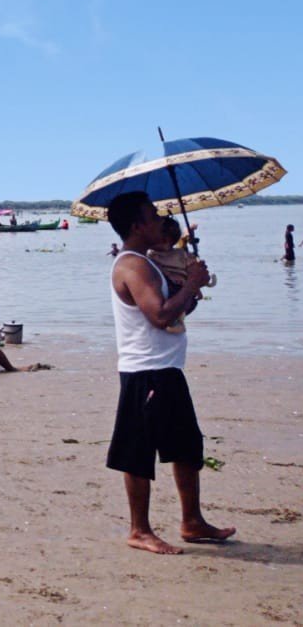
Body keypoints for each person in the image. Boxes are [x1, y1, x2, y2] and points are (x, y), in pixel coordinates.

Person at [104, 191, 232, 554]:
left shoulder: (150, 263)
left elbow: (173, 314)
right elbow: (159, 316)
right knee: (138, 451)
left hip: (167, 367)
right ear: (137, 225)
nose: (161, 220)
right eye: (153, 215)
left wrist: (191, 288)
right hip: (145, 370)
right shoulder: (132, 265)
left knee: (187, 447)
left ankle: (192, 520)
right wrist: (190, 286)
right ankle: (139, 530)